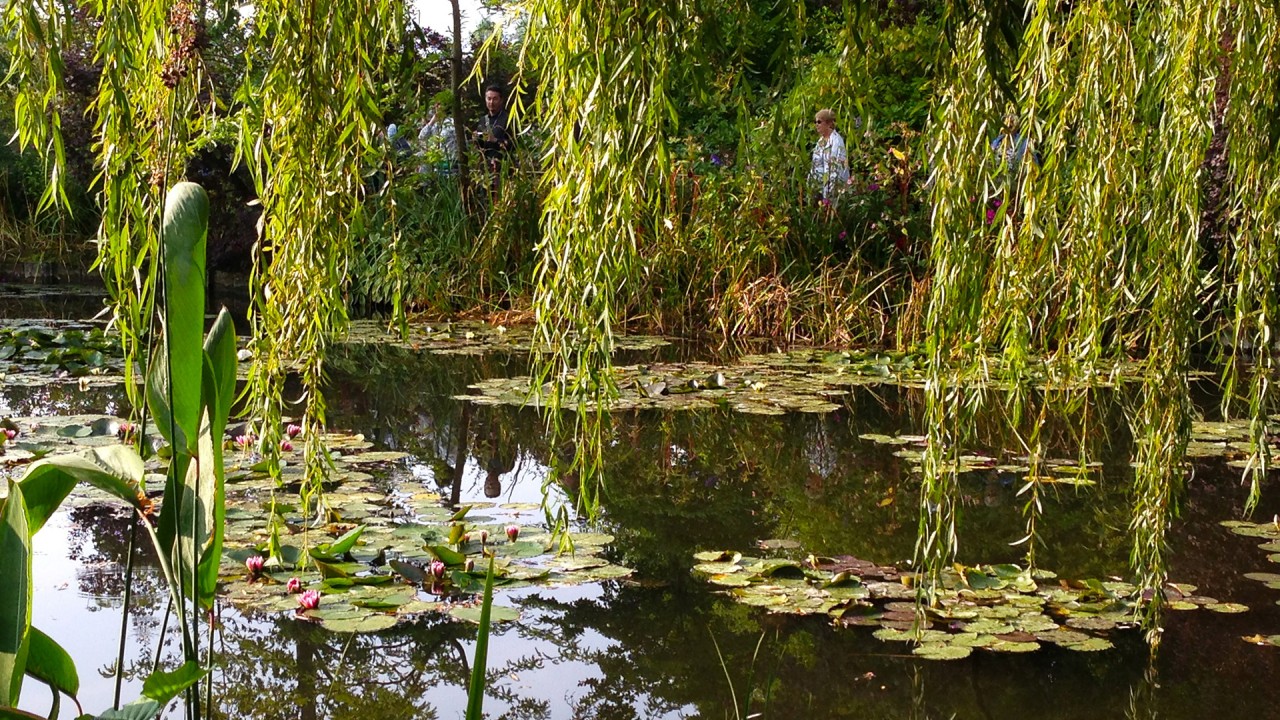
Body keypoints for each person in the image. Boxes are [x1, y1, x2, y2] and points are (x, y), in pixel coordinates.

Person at [809, 108, 849, 203]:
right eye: (815, 122)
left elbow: (836, 168)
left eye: (819, 122)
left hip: (835, 190)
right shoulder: (820, 142)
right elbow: (816, 165)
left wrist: (830, 194)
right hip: (820, 190)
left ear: (829, 123)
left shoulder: (837, 141)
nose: (816, 125)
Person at [475, 84, 514, 168]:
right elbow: (481, 146)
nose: (491, 102)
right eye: (489, 99)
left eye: (495, 99)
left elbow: (514, 144)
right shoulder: (483, 120)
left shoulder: (507, 119)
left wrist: (496, 140)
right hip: (486, 166)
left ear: (501, 100)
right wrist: (476, 139)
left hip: (503, 166)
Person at [417, 100, 457, 173]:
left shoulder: (452, 122)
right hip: (437, 161)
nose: (438, 107)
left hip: (450, 161)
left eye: (440, 105)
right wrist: (432, 121)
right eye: (436, 105)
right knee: (421, 156)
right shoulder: (434, 125)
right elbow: (422, 137)